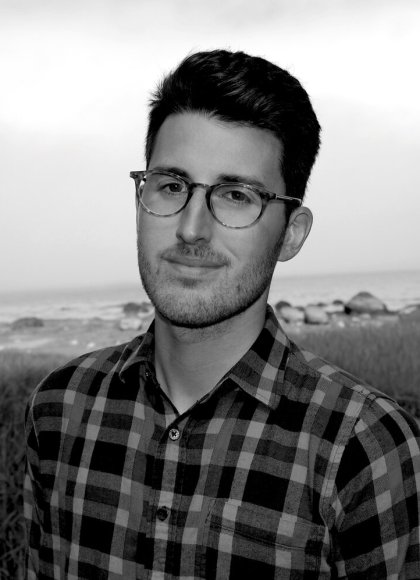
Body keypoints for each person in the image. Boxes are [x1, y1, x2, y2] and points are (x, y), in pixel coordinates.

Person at [24, 49, 420, 579]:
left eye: (235, 195)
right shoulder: (60, 406)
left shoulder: (364, 446)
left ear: (291, 234)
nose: (191, 229)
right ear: (140, 202)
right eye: (171, 186)